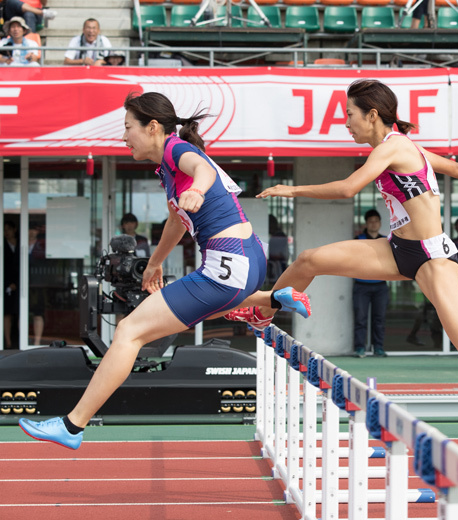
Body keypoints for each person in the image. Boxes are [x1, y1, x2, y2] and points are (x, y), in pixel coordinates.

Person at [230, 79, 458, 375]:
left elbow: (347, 189)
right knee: (309, 260)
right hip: (396, 249)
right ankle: (264, 311)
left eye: (349, 114)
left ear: (372, 115)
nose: (345, 123)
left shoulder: (393, 147)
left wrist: (289, 188)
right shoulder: (408, 148)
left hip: (430, 258)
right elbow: (454, 168)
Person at [18, 91, 311, 450]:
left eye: (128, 128)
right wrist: (154, 263)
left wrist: (199, 191)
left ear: (152, 127)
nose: (124, 137)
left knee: (129, 331)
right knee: (185, 314)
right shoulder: (167, 169)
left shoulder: (175, 149)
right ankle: (271, 298)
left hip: (228, 262)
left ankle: (72, 425)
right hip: (245, 260)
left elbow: (202, 169)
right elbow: (176, 220)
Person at [352, 209, 389, 358]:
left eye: (376, 221)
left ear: (380, 223)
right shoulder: (358, 239)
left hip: (380, 285)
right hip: (361, 284)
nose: (374, 224)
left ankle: (378, 347)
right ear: (366, 224)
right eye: (371, 221)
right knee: (360, 318)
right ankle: (359, 348)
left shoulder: (386, 241)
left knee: (379, 318)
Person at [4, 220, 20, 349]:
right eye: (4, 230)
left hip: (22, 283)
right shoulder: (2, 244)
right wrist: (8, 283)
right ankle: (8, 342)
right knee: (7, 313)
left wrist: (18, 282)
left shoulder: (21, 243)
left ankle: (22, 341)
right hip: (6, 283)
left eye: (8, 229)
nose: (6, 233)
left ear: (14, 229)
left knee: (20, 312)